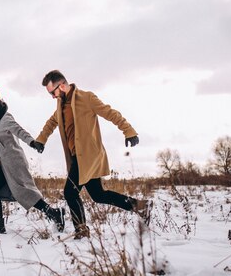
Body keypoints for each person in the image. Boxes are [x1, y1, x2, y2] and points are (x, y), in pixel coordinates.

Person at [31, 70, 152, 239]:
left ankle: (81, 230)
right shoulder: (60, 104)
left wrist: (129, 131)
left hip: (88, 155)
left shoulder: (86, 98)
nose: (52, 96)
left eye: (53, 92)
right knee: (98, 195)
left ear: (62, 85)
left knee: (70, 193)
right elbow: (52, 122)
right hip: (76, 157)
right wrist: (41, 140)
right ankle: (140, 206)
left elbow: (110, 113)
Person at [0, 88, 65, 234]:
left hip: (14, 162)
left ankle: (54, 213)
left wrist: (33, 142)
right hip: (2, 163)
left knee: (24, 192)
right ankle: (0, 226)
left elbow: (19, 131)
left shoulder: (4, 118)